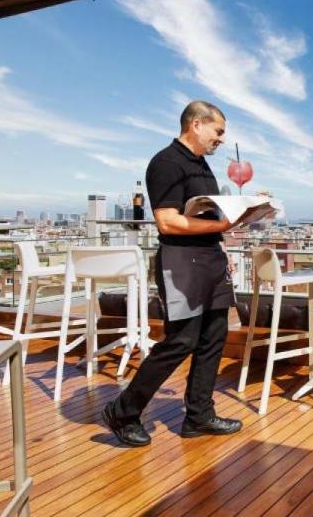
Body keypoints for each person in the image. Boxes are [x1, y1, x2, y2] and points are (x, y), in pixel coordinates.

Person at [103, 100, 242, 447]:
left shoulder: (202, 167)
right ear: (196, 124)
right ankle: (123, 411)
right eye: (218, 131)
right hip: (181, 261)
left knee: (214, 337)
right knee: (181, 340)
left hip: (210, 257)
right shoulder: (166, 163)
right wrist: (225, 224)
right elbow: (166, 220)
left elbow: (205, 217)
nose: (221, 139)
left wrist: (221, 243)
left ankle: (199, 416)